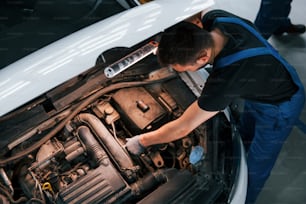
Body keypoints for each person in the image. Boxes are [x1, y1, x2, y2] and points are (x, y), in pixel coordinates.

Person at [126, 9, 305, 204]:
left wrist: (142, 141)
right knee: (245, 130)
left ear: (203, 58)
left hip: (281, 104)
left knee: (257, 165)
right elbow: (195, 15)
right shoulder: (217, 17)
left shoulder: (226, 80)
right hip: (263, 79)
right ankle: (240, 154)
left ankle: (247, 198)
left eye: (184, 69)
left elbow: (183, 127)